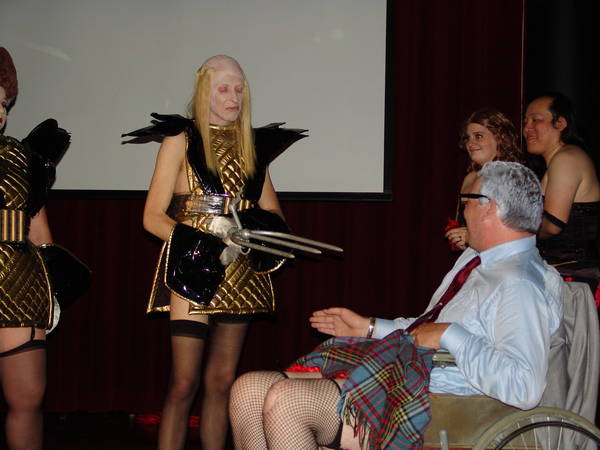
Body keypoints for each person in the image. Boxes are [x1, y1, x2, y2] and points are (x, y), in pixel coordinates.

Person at [229, 161, 563, 449]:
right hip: (409, 373)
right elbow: (426, 328)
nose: (463, 210)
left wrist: (451, 334)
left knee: (288, 402)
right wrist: (368, 327)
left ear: (489, 207)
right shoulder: (476, 259)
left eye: (467, 201)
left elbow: (524, 386)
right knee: (248, 391)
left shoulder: (519, 283)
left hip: (444, 404)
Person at [123, 55, 305, 450]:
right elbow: (152, 217)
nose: (234, 96)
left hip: (239, 268)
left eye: (239, 89)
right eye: (224, 88)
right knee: (183, 382)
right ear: (205, 90)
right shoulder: (181, 139)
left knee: (222, 382)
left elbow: (274, 213)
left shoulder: (251, 146)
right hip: (192, 267)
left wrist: (250, 231)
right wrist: (201, 243)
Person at [0, 47, 69, 450]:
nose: (1, 113)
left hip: (20, 285)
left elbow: (40, 231)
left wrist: (52, 288)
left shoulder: (21, 155)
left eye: (4, 104)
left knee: (27, 399)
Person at [524, 92, 600, 270]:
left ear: (560, 123)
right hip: (563, 270)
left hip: (574, 274)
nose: (527, 128)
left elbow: (553, 225)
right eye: (525, 122)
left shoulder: (566, 159)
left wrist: (514, 235)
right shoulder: (561, 158)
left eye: (536, 120)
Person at [445, 108, 522, 251]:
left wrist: (471, 237)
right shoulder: (470, 178)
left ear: (500, 138)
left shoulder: (512, 177)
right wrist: (461, 239)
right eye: (468, 138)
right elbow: (463, 226)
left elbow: (517, 233)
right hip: (475, 256)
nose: (470, 143)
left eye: (478, 136)